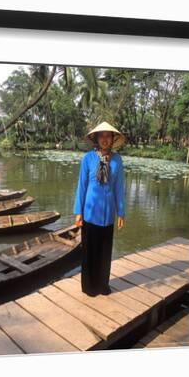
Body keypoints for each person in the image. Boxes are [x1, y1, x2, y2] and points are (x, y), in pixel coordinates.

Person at [73, 121, 126, 297]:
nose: (104, 139)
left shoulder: (117, 160)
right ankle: (89, 286)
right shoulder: (88, 159)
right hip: (89, 213)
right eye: (101, 135)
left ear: (113, 139)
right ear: (96, 138)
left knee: (104, 252)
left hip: (108, 215)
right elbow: (82, 185)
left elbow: (119, 187)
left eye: (108, 136)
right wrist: (78, 211)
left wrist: (121, 212)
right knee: (89, 252)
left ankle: (103, 285)